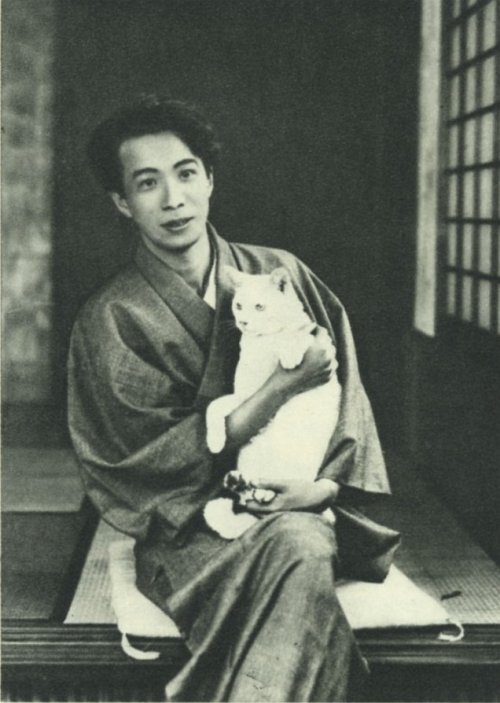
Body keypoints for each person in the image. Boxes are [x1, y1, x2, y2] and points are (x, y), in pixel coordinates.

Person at [68, 95, 399, 702]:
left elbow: (346, 402)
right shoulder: (110, 319)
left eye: (186, 174)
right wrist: (280, 389)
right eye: (147, 184)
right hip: (190, 531)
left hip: (301, 503)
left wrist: (321, 490)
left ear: (210, 179)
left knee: (301, 536)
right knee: (300, 550)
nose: (173, 199)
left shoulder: (283, 274)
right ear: (122, 203)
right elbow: (139, 465)